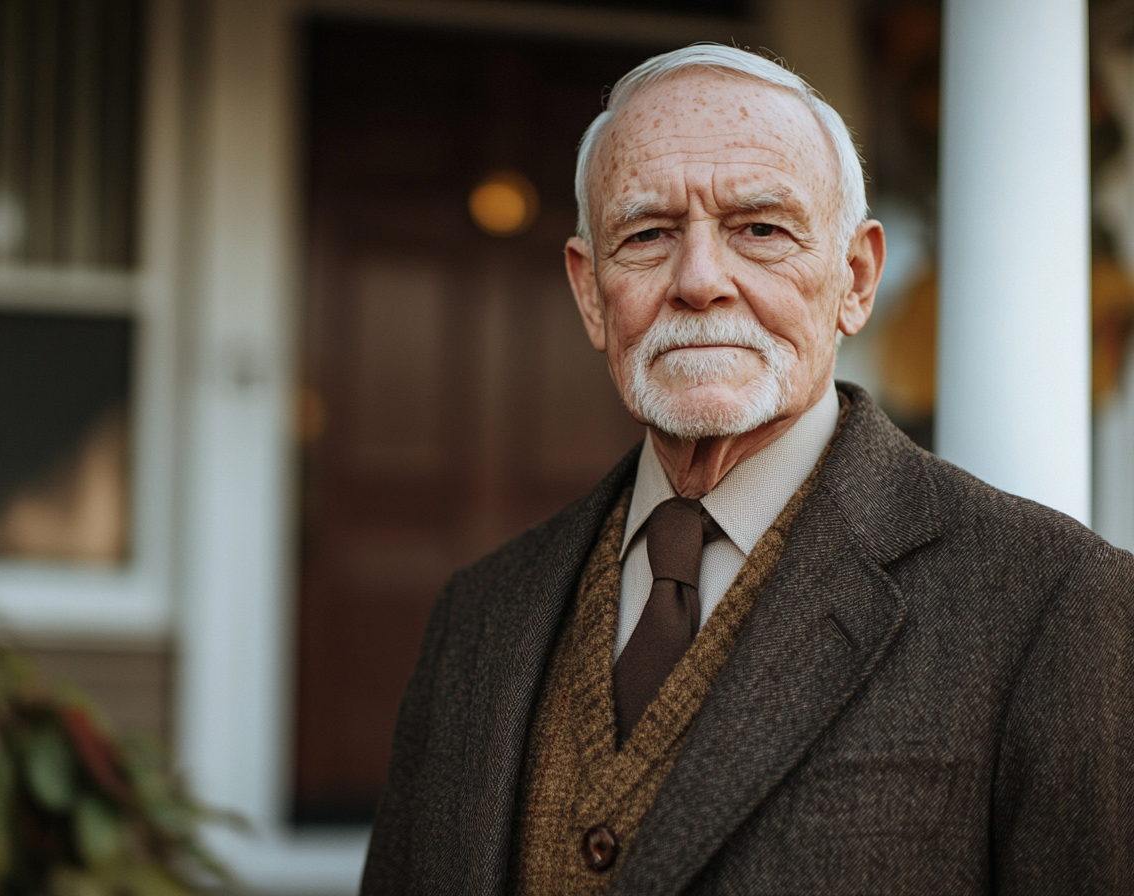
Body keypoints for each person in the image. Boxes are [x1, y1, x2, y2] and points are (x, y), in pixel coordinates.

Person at [360, 44, 1134, 895]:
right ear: (591, 291)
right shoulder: (478, 614)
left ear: (855, 277)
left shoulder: (1056, 602)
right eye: (648, 234)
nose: (699, 281)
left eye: (760, 230)